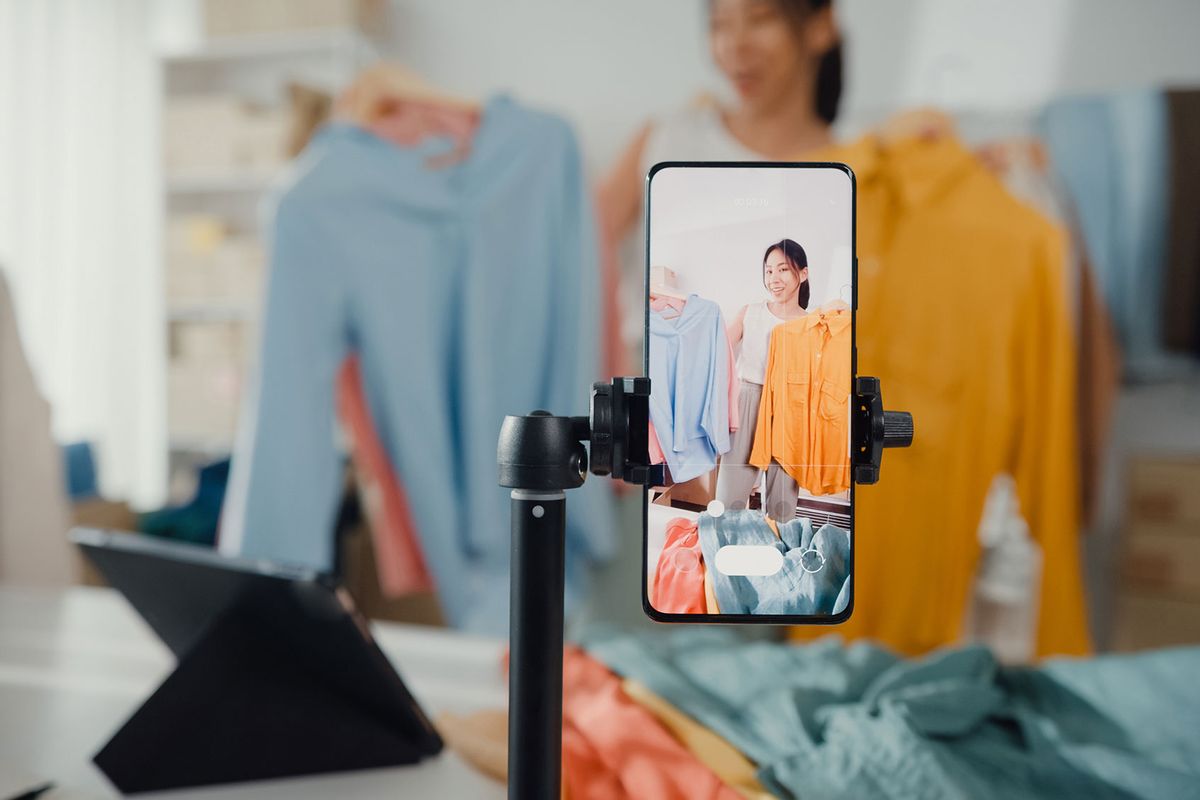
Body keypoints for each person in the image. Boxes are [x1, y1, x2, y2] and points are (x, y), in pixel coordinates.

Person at [598, 0, 840, 240]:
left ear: (821, 25)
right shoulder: (668, 137)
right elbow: (579, 245)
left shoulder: (859, 172)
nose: (736, 44)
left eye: (761, 18)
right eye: (720, 23)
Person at [716, 239, 810, 520]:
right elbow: (717, 352)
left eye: (782, 269)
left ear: (802, 274)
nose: (774, 278)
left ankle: (778, 558)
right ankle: (724, 557)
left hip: (789, 408)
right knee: (728, 499)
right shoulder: (750, 312)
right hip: (749, 400)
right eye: (769, 271)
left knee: (783, 506)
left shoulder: (811, 323)